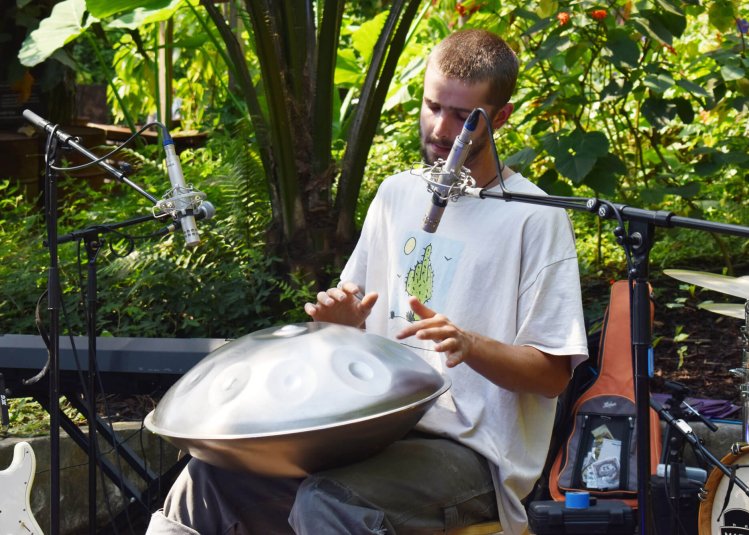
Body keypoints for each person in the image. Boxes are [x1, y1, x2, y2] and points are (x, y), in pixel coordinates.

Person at [146, 28, 587, 535]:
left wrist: (470, 344)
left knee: (330, 500)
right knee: (211, 475)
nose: (442, 129)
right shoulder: (398, 194)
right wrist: (340, 328)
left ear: (501, 117)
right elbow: (356, 338)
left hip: (472, 454)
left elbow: (554, 374)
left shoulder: (534, 217)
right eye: (433, 106)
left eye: (464, 117)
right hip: (374, 432)